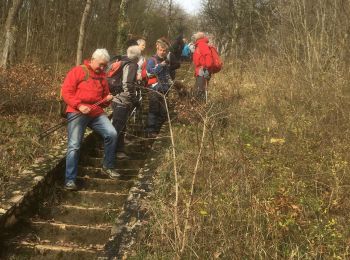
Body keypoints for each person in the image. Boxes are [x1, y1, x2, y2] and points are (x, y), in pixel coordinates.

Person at [61, 49, 119, 190]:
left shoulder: (102, 77)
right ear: (92, 59)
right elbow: (66, 92)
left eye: (104, 66)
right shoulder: (78, 71)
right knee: (74, 145)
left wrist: (107, 99)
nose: (102, 68)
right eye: (100, 64)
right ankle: (70, 180)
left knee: (112, 134)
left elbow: (104, 100)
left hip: (96, 113)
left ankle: (107, 166)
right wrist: (79, 105)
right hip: (77, 111)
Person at [108, 45, 141, 160]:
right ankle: (114, 153)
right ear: (138, 56)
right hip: (123, 100)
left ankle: (118, 150)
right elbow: (127, 84)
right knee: (118, 127)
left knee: (119, 126)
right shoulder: (131, 65)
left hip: (116, 98)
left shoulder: (122, 61)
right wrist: (134, 99)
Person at [145, 38, 173, 137]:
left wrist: (170, 82)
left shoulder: (166, 60)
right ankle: (150, 132)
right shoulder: (152, 60)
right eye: (160, 50)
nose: (162, 52)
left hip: (164, 89)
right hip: (154, 89)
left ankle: (156, 131)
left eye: (164, 51)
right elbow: (150, 73)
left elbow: (166, 74)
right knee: (153, 111)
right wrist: (160, 65)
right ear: (157, 49)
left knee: (164, 113)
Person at [192, 32, 213, 100]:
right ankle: (200, 105)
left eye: (195, 37)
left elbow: (208, 56)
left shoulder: (202, 44)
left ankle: (200, 106)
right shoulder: (200, 44)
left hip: (203, 70)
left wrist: (206, 67)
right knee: (200, 89)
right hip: (201, 70)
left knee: (199, 90)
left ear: (198, 38)